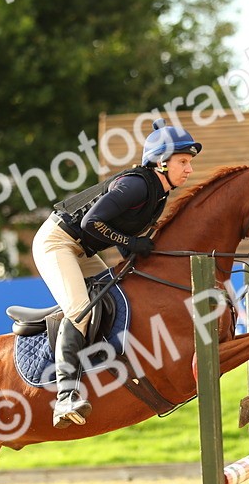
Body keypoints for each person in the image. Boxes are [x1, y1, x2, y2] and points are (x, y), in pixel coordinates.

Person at [32, 118, 201, 428]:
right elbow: (91, 224)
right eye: (183, 161)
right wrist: (132, 243)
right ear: (161, 162)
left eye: (189, 162)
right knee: (80, 310)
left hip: (82, 249)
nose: (189, 169)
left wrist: (134, 254)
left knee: (118, 295)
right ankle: (66, 395)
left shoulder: (159, 194)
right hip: (57, 242)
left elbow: (120, 233)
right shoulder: (136, 184)